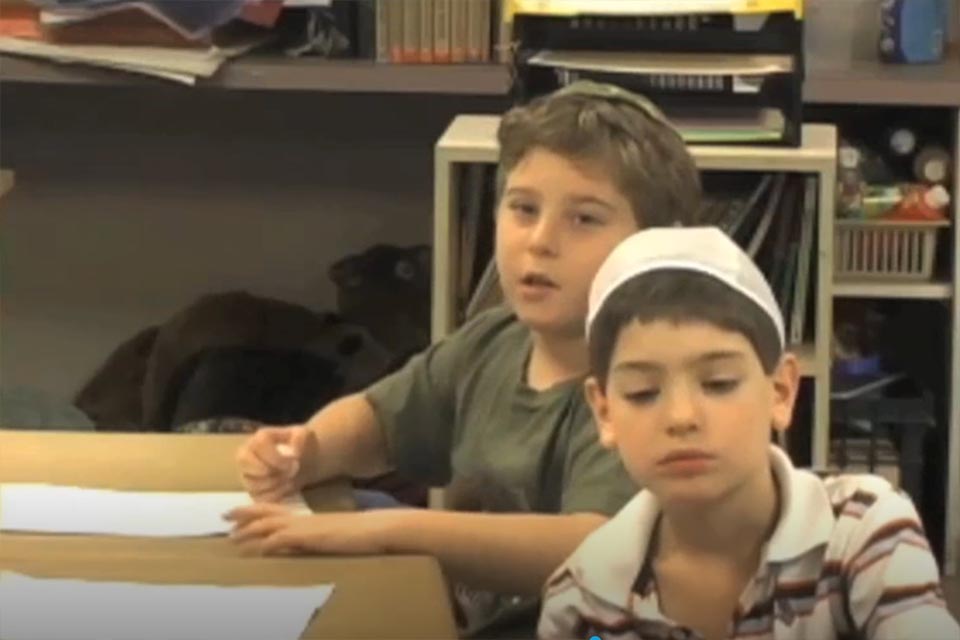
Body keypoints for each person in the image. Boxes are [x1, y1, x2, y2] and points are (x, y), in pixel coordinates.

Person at [226, 80, 702, 638]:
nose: (540, 241)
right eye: (524, 208)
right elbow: (380, 421)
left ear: (654, 247)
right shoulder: (495, 339)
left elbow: (592, 547)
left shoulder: (642, 382)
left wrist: (392, 531)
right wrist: (306, 450)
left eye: (585, 219)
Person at [538, 226, 960, 640]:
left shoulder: (862, 528)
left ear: (780, 391)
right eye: (643, 393)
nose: (681, 417)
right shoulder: (582, 599)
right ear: (604, 411)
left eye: (719, 383)